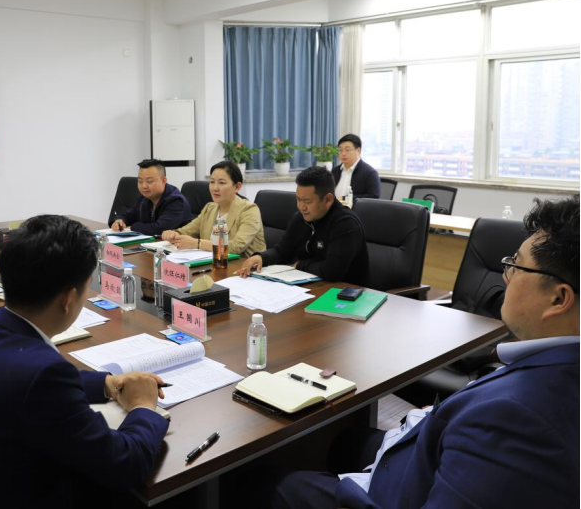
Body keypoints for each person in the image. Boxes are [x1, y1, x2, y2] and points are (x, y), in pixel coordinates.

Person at [265, 195, 579, 509]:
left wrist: (349, 492)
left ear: (558, 299)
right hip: (419, 443)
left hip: (396, 486)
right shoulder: (551, 367)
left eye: (515, 266)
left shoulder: (515, 420)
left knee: (274, 484)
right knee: (344, 440)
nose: (505, 276)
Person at [0, 215, 169, 508]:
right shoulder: (44, 374)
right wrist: (142, 406)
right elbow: (124, 465)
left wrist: (104, 383)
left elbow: (25, 381)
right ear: (68, 299)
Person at [239, 167, 368, 284]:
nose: (301, 207)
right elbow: (282, 250)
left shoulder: (346, 224)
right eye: (298, 199)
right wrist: (261, 257)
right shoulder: (300, 218)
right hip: (310, 286)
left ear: (328, 200)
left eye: (307, 201)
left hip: (344, 295)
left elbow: (332, 271)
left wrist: (300, 265)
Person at [162, 161, 267, 257]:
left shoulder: (249, 210)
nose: (215, 188)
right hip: (212, 264)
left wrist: (197, 243)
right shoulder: (210, 208)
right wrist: (174, 234)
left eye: (222, 183)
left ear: (237, 187)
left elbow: (236, 247)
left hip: (243, 269)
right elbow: (186, 231)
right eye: (212, 182)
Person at [110, 159, 193, 235]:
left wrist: (133, 226)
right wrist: (120, 221)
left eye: (149, 181)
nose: (144, 186)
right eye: (140, 181)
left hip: (175, 248)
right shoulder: (145, 197)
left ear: (164, 181)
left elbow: (159, 229)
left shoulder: (176, 201)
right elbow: (129, 215)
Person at [331, 134, 380, 203]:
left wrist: (343, 198)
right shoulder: (335, 171)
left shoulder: (370, 173)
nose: (343, 153)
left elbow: (373, 197)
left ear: (358, 151)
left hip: (355, 211)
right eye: (340, 150)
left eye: (347, 150)